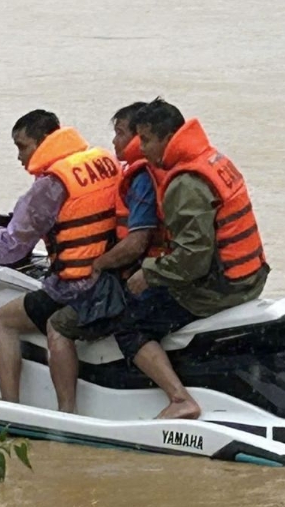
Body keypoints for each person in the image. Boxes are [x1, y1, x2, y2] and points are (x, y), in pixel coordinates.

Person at [112, 98, 269, 420]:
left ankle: (180, 399)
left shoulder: (185, 183)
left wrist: (148, 273)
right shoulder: (211, 158)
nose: (142, 149)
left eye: (147, 140)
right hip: (250, 275)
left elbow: (193, 260)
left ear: (167, 137)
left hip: (220, 288)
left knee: (127, 322)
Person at [0, 110, 119, 411]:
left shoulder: (50, 185)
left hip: (78, 286)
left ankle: (14, 410)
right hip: (114, 273)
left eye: (22, 146)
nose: (19, 157)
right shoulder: (101, 160)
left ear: (44, 142)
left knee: (4, 320)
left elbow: (11, 249)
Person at [44, 102, 165, 411]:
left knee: (58, 324)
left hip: (136, 278)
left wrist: (97, 263)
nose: (114, 142)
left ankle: (66, 413)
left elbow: (136, 242)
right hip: (148, 271)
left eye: (120, 133)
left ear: (139, 138)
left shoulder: (140, 180)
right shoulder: (144, 171)